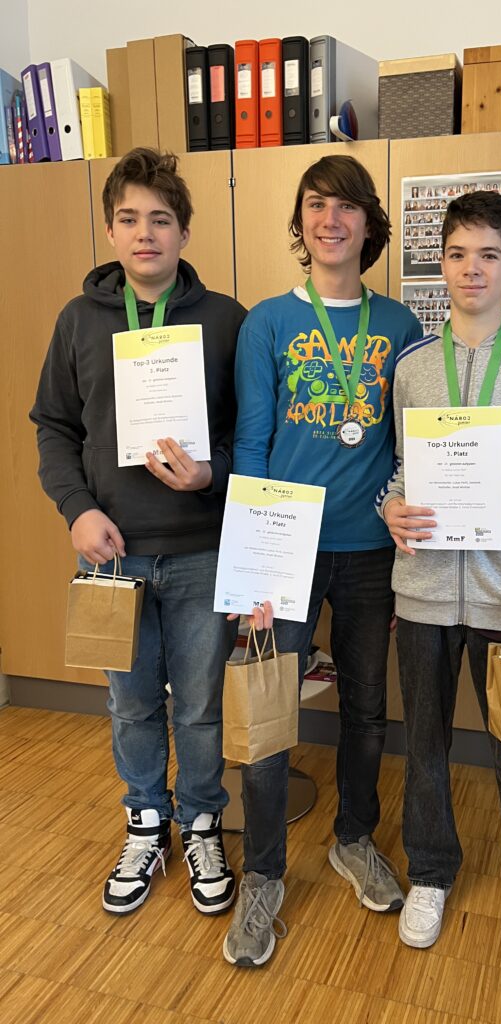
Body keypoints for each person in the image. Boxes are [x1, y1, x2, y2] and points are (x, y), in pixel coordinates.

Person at [30, 148, 245, 917]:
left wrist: (211, 474)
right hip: (111, 556)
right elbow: (54, 427)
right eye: (129, 219)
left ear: (185, 231)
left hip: (201, 552)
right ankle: (146, 822)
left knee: (199, 705)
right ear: (112, 231)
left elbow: (252, 435)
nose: (145, 233)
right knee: (130, 705)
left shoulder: (226, 320)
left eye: (161, 219)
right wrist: (78, 510)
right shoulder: (77, 321)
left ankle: (202, 823)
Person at [224, 155, 423, 967]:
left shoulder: (399, 326)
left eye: (345, 206)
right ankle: (263, 873)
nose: (330, 220)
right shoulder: (268, 322)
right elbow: (251, 442)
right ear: (301, 223)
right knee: (270, 708)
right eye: (315, 205)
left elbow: (412, 444)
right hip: (285, 551)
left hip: (372, 553)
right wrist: (249, 566)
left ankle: (353, 838)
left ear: (368, 224)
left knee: (367, 708)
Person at [379, 191, 501, 993]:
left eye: (489, 255)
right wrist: (390, 506)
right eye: (458, 254)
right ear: (441, 265)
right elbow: (398, 469)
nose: (472, 269)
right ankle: (430, 871)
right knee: (423, 749)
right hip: (422, 593)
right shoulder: (410, 368)